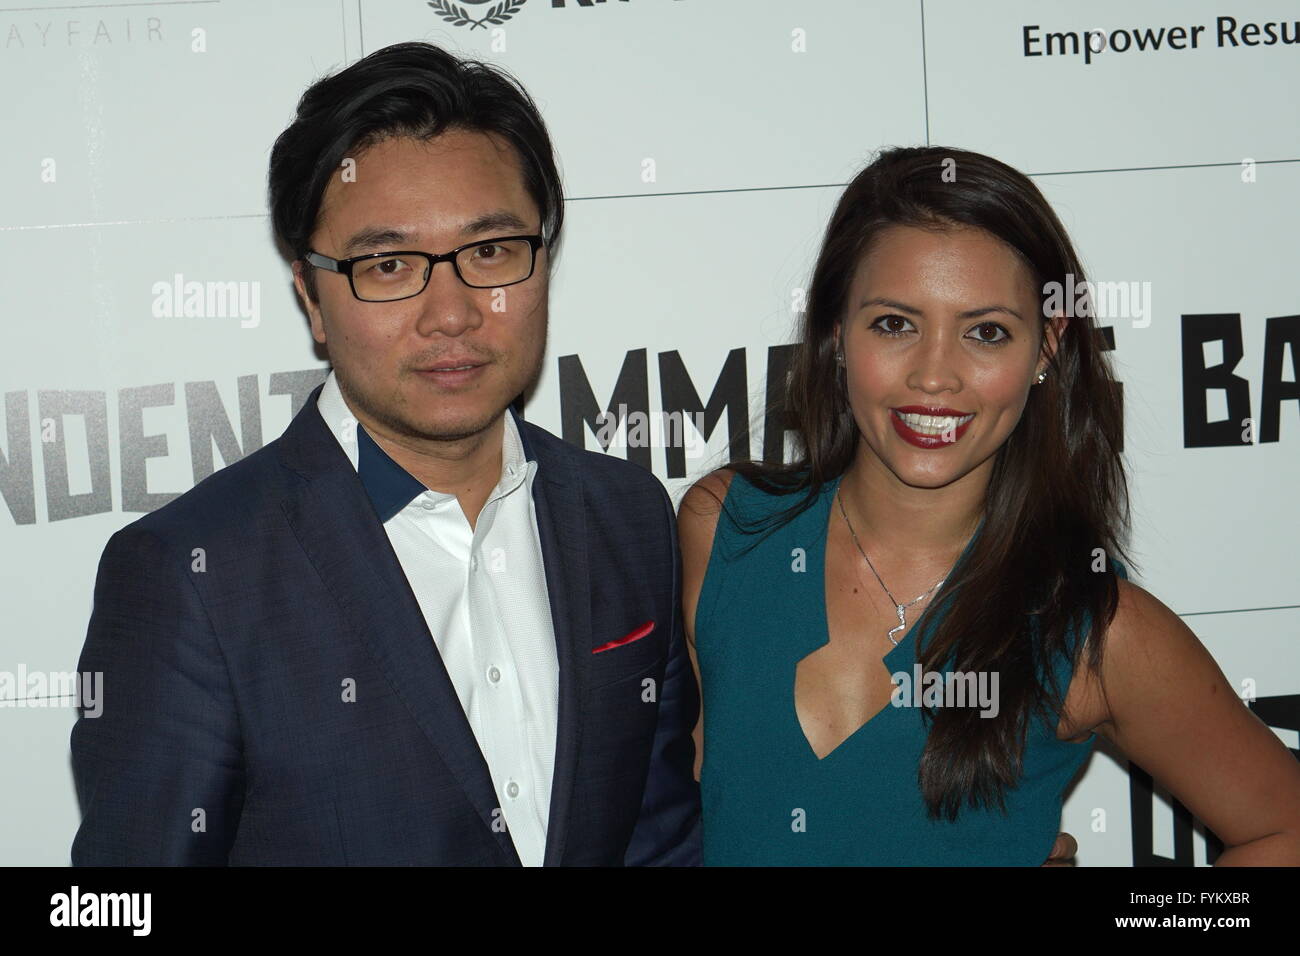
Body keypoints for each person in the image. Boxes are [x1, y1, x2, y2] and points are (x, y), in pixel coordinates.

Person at [69, 42, 700, 866]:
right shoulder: (191, 574)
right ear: (312, 298)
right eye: (389, 264)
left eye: (490, 252)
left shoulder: (626, 515)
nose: (452, 313)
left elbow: (657, 842)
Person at [678, 146, 1300, 865]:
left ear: (1046, 349)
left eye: (987, 333)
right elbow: (674, 815)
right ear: (834, 334)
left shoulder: (1093, 631)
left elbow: (1282, 830)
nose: (935, 375)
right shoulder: (727, 528)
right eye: (894, 324)